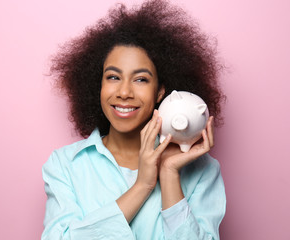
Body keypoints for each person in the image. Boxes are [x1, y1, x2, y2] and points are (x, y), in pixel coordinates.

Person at [42, 0, 226, 239]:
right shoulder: (64, 166)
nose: (125, 92)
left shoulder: (202, 170)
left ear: (161, 91)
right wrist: (142, 186)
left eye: (140, 79)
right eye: (113, 77)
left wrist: (169, 174)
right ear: (97, 84)